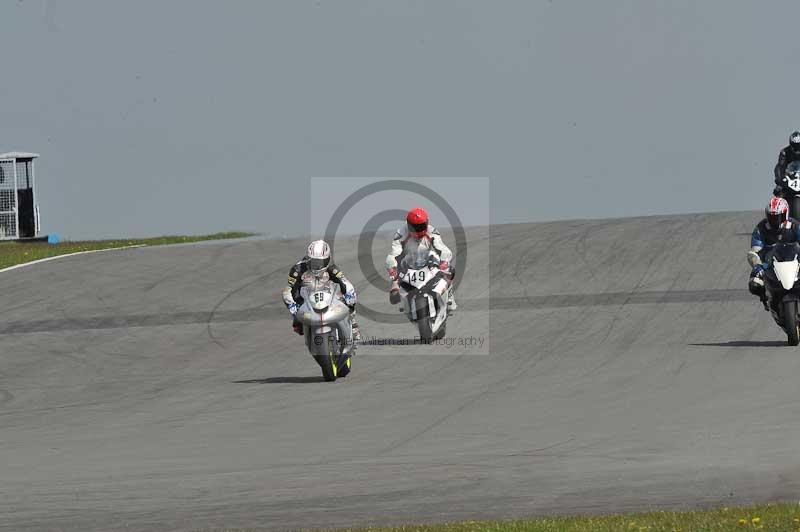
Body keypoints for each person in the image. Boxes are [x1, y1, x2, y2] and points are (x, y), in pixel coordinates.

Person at [282, 239, 361, 341]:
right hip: (305, 299)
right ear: (308, 259)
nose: (317, 266)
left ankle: (352, 323)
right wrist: (292, 305)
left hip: (328, 296)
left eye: (321, 262)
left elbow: (344, 282)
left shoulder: (332, 268)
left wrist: (350, 295)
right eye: (313, 261)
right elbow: (288, 289)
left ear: (327, 260)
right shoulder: (297, 270)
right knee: (298, 327)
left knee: (348, 301)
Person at [385, 207, 457, 310]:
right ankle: (405, 303)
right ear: (408, 224)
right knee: (394, 297)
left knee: (449, 270)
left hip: (427, 260)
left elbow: (442, 248)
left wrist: (444, 261)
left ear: (427, 223)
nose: (418, 230)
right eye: (414, 227)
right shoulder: (401, 233)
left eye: (421, 226)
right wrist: (392, 268)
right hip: (407, 263)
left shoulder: (432, 231)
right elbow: (394, 253)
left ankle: (449, 294)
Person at [748, 196, 800, 309]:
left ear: (785, 214)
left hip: (794, 262)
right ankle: (765, 298)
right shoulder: (761, 228)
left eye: (778, 217)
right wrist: (757, 266)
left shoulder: (794, 226)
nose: (774, 221)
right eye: (771, 217)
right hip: (770, 264)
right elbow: (754, 251)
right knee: (754, 283)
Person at [773, 131, 800, 196]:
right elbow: (780, 167)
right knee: (778, 192)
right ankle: (776, 205)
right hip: (790, 178)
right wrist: (780, 181)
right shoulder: (784, 152)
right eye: (795, 146)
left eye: (798, 145)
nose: (796, 148)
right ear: (791, 144)